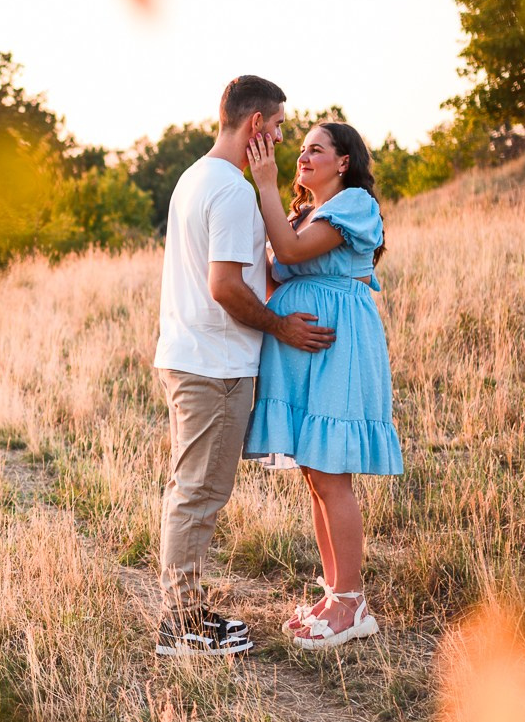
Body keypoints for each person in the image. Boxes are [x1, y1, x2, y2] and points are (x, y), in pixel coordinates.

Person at [151, 76, 334, 657]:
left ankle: (186, 611)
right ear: (256, 124)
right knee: (199, 492)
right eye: (279, 126)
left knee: (193, 487)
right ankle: (179, 626)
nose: (283, 138)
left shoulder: (195, 177)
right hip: (214, 365)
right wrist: (282, 328)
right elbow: (225, 286)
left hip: (193, 355)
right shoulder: (230, 190)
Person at [243, 121, 403, 649]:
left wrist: (264, 182)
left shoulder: (354, 204)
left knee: (332, 474)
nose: (303, 157)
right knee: (314, 472)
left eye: (317, 149)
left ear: (344, 162)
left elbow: (288, 254)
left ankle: (353, 604)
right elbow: (274, 272)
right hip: (298, 353)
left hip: (337, 347)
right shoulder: (301, 213)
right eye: (302, 149)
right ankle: (334, 593)